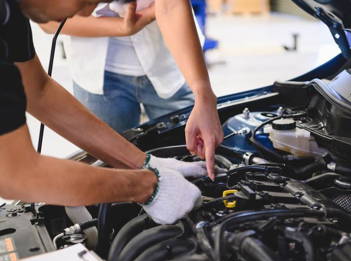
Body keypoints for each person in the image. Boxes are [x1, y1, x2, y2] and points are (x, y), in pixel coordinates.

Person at [0, 0, 222, 225]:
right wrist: (147, 186)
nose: (87, 12)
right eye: (87, 1)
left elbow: (38, 91)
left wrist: (144, 163)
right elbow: (15, 174)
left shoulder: (12, 14)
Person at [40, 1, 202, 134]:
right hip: (96, 76)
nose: (86, 12)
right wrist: (123, 28)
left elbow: (171, 6)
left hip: (169, 66)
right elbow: (49, 20)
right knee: (111, 164)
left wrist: (204, 94)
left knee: (194, 155)